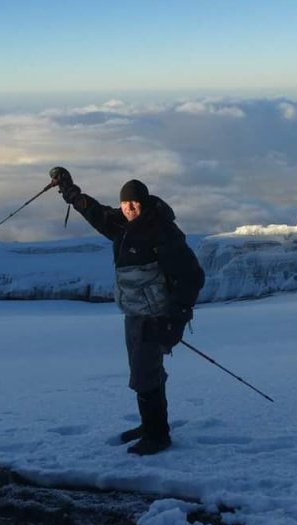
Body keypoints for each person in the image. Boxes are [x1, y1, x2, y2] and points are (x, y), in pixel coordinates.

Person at [50, 167, 204, 455]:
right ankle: (150, 426)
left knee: (145, 372)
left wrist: (177, 318)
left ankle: (157, 435)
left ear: (145, 203)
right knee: (144, 369)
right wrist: (70, 191)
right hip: (135, 311)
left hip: (156, 314)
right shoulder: (120, 224)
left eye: (135, 202)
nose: (130, 207)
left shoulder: (162, 232)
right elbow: (96, 213)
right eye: (125, 203)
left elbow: (192, 275)